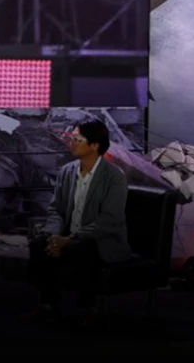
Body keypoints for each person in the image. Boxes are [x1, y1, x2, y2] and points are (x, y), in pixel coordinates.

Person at [27, 120, 131, 322]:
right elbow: (56, 209)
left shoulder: (114, 177)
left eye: (77, 139)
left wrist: (70, 239)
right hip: (67, 236)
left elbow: (109, 220)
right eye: (72, 138)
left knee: (83, 247)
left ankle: (87, 309)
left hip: (101, 240)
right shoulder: (67, 171)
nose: (71, 143)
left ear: (94, 145)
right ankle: (48, 305)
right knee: (39, 243)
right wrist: (53, 235)